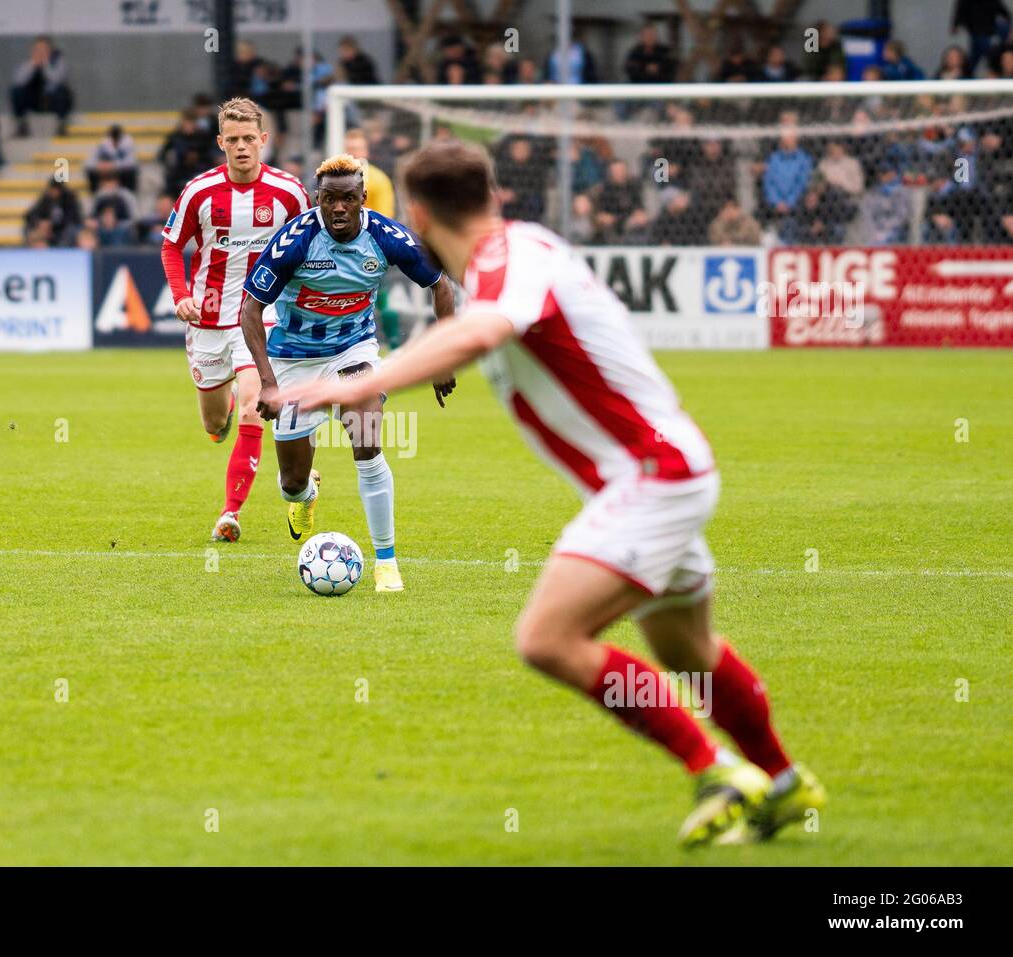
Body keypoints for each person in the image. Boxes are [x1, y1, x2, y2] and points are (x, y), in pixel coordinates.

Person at [278, 141, 827, 845]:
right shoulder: (520, 250)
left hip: (651, 476)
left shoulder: (509, 265)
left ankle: (717, 769)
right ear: (493, 194)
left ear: (416, 214)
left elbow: (480, 330)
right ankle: (782, 780)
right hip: (664, 472)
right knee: (688, 649)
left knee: (547, 637)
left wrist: (357, 382)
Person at [238, 152, 457, 592]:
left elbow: (441, 285)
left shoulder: (386, 236)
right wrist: (267, 380)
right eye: (330, 200)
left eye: (349, 199)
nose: (339, 209)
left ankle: (387, 563)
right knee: (291, 482)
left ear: (363, 199)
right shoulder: (294, 241)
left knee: (367, 439)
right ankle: (306, 496)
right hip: (294, 359)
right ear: (318, 199)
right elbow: (251, 310)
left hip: (352, 352)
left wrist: (443, 357)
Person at [160, 98, 312, 543]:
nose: (242, 147)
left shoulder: (290, 192)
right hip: (207, 321)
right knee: (213, 423)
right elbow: (172, 245)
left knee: (253, 404)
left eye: (250, 139)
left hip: (260, 319)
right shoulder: (199, 191)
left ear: (264, 140)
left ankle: (230, 513)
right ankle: (220, 411)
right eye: (234, 140)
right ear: (220, 142)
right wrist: (181, 294)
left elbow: (307, 248)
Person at [343, 127, 401, 349]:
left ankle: (395, 343)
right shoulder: (332, 178)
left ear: (365, 150)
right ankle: (348, 343)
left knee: (381, 296)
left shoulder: (377, 179)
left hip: (370, 248)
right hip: (339, 248)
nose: (353, 153)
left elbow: (386, 217)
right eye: (349, 149)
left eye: (357, 148)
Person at [10, 37, 73, 137]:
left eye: (43, 49)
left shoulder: (58, 61)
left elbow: (57, 80)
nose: (40, 52)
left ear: (50, 49)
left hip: (52, 100)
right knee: (16, 91)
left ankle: (61, 125)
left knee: (63, 91)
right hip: (34, 100)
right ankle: (22, 125)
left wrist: (45, 64)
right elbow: (18, 81)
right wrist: (32, 65)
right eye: (38, 49)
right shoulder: (29, 62)